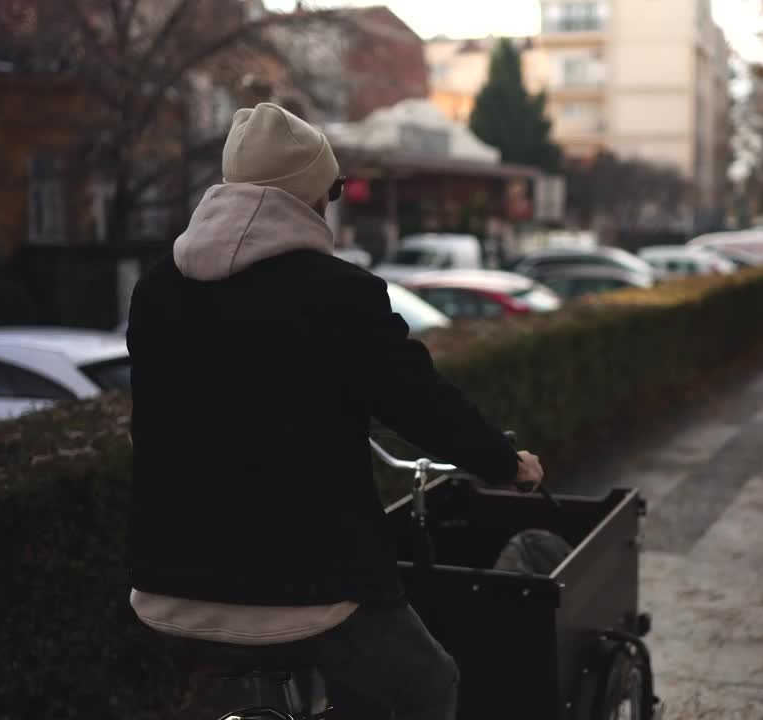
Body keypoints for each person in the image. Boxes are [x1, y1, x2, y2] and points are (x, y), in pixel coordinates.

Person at [126, 103, 544, 720]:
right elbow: (422, 403)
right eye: (333, 188)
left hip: (168, 589)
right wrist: (505, 464)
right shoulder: (340, 295)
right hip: (310, 591)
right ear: (309, 199)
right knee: (427, 685)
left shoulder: (157, 289)